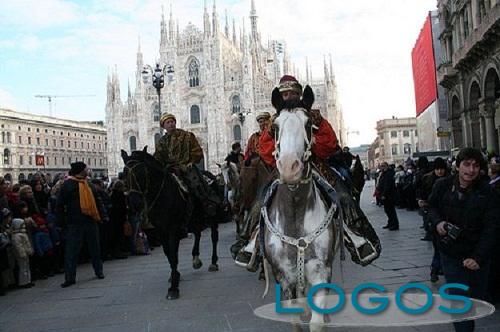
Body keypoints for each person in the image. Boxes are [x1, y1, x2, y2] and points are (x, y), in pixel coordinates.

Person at [428, 148, 500, 332]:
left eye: (476, 165)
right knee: (460, 301)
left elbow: (492, 228)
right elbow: (431, 208)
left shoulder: (488, 192)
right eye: (466, 164)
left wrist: (477, 257)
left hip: (478, 256)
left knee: (475, 300)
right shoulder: (442, 186)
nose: (471, 170)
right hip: (451, 253)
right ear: (457, 166)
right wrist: (438, 222)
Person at [154, 113, 220, 216]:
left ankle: (207, 205)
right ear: (164, 126)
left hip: (186, 168)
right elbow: (158, 158)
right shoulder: (161, 142)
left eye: (172, 122)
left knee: (196, 185)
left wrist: (191, 162)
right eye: (168, 123)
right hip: (170, 170)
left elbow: (197, 151)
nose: (171, 124)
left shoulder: (187, 136)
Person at [56, 162, 106, 288]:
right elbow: (60, 205)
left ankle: (99, 271)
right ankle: (70, 277)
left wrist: (102, 215)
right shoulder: (68, 185)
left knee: (95, 248)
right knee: (72, 251)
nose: (88, 170)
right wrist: (61, 221)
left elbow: (97, 200)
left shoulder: (88, 184)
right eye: (86, 168)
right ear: (81, 170)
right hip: (75, 222)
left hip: (90, 220)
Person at [416, 157, 448, 282]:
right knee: (438, 246)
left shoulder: (450, 180)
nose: (440, 171)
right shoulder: (428, 180)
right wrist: (420, 201)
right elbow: (422, 193)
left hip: (448, 216)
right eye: (437, 169)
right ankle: (435, 269)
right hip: (434, 216)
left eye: (442, 169)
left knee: (444, 248)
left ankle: (439, 268)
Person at [377, 162, 399, 230]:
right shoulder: (384, 173)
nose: (382, 167)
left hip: (389, 195)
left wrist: (384, 194)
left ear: (386, 166)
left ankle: (394, 224)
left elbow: (387, 185)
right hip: (385, 195)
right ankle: (390, 223)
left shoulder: (388, 174)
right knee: (387, 210)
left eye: (383, 166)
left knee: (391, 210)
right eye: (381, 166)